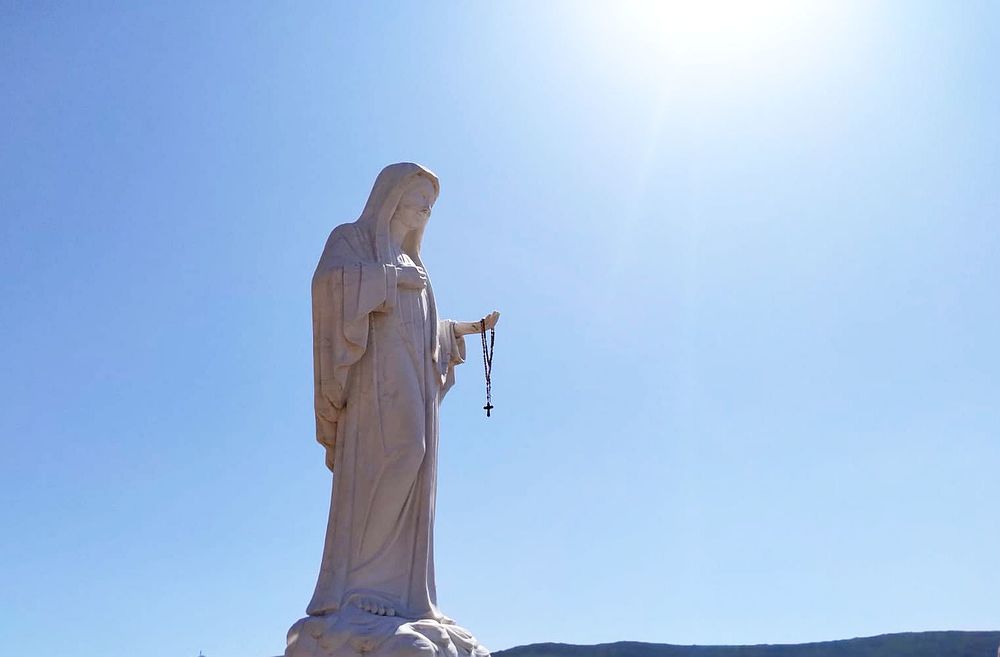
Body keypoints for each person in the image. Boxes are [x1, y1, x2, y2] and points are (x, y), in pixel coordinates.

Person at [305, 162, 499, 624]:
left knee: (418, 460)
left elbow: (424, 327)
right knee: (403, 451)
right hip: (376, 375)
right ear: (392, 197)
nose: (426, 210)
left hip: (413, 371)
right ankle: (361, 583)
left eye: (431, 205)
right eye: (419, 199)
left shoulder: (416, 263)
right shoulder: (351, 240)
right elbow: (328, 286)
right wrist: (389, 280)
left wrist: (461, 330)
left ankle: (404, 593)